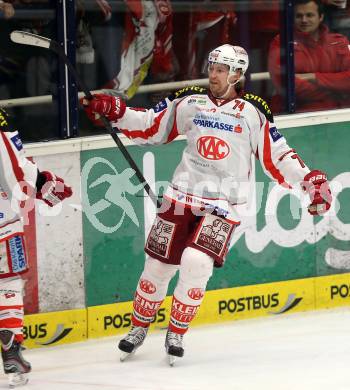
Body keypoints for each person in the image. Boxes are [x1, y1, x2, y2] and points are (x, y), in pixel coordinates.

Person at [82, 44, 332, 365]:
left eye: (221, 69)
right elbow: (150, 126)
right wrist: (116, 111)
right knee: (157, 268)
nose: (213, 74)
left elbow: (278, 157)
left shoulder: (254, 111)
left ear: (238, 74)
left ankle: (176, 332)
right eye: (211, 67)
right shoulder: (189, 100)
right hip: (181, 196)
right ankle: (138, 328)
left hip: (226, 203)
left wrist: (308, 180)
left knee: (196, 261)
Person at [0, 107, 72, 387]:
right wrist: (44, 186)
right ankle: (11, 347)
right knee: (8, 283)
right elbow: (15, 174)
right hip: (4, 223)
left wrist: (42, 182)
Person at [268, 0, 350, 113]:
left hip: (337, 113)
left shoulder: (338, 42)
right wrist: (336, 88)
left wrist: (314, 77)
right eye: (299, 16)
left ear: (321, 17)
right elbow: (288, 85)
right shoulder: (282, 42)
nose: (304, 20)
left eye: (309, 15)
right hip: (294, 115)